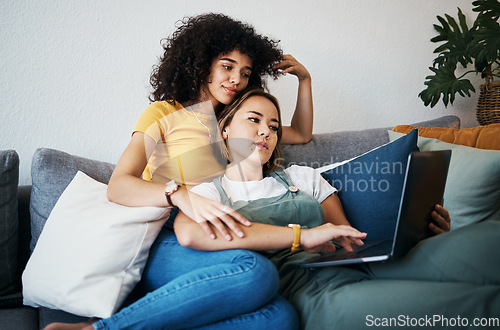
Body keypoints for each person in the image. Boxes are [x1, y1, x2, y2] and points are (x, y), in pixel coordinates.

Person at [46, 13, 314, 330]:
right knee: (256, 271)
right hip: (164, 236)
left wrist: (305, 80)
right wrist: (179, 195)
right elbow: (118, 186)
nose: (236, 80)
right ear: (201, 64)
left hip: (211, 236)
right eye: (227, 66)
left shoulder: (235, 122)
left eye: (245, 72)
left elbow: (300, 132)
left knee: (281, 318)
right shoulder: (164, 113)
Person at [173, 88, 500, 329]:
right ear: (225, 128)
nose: (266, 132)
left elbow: (348, 242)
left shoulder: (302, 176)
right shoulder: (210, 192)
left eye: (274, 126)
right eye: (255, 120)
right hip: (306, 292)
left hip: (360, 267)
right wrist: (304, 236)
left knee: (489, 241)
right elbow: (189, 234)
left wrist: (424, 232)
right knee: (478, 307)